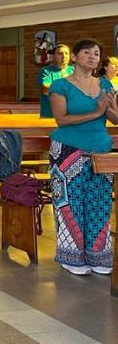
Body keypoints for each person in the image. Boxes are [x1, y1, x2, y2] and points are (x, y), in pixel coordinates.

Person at [48, 38, 116, 276]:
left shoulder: (106, 85)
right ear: (75, 57)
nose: (92, 56)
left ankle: (99, 255)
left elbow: (114, 117)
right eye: (86, 52)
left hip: (101, 149)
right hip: (68, 149)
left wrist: (110, 109)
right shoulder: (61, 86)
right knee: (71, 202)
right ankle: (72, 256)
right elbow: (61, 119)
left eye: (97, 53)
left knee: (100, 202)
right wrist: (96, 111)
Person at [37, 44, 73, 118]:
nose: (64, 56)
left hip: (71, 117)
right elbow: (45, 89)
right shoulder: (46, 71)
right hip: (50, 117)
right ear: (53, 56)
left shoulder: (74, 70)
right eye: (60, 53)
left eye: (66, 53)